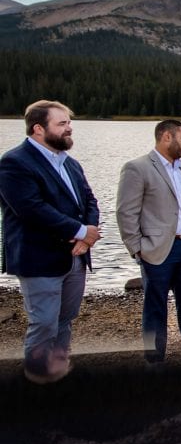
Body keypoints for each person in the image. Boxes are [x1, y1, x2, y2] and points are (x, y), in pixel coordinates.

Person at [0, 100, 101, 384]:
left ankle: (59, 369)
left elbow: (89, 200)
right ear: (38, 129)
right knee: (43, 321)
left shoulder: (71, 164)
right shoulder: (14, 162)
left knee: (65, 319)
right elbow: (31, 209)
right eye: (62, 124)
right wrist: (81, 231)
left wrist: (88, 232)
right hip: (39, 256)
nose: (69, 128)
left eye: (69, 123)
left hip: (76, 255)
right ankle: (37, 378)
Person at [116, 119, 181, 367]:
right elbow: (125, 212)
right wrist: (137, 247)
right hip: (157, 248)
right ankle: (154, 359)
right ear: (165, 137)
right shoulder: (137, 168)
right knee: (155, 305)